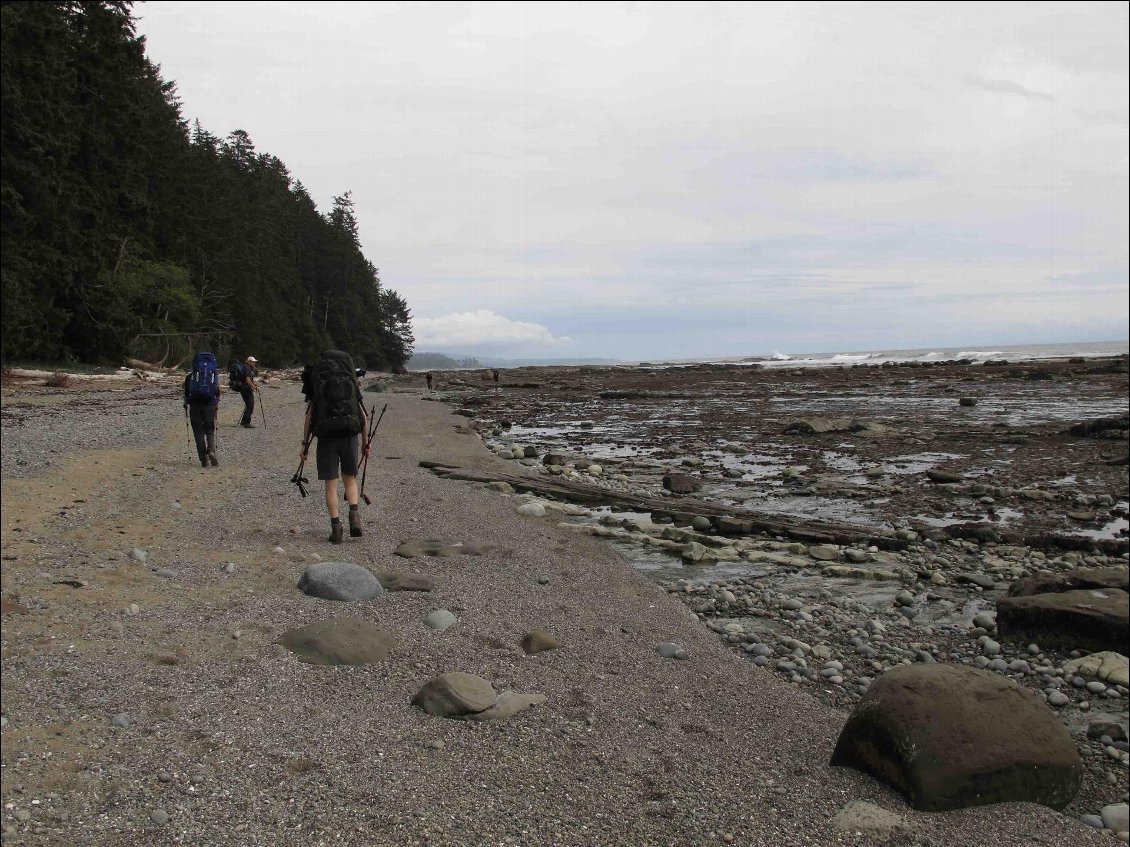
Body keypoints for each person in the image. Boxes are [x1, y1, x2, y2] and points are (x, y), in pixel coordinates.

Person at [300, 350, 371, 543]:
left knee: (331, 484)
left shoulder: (319, 383)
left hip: (326, 438)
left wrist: (305, 445)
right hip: (349, 434)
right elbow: (363, 417)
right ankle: (354, 517)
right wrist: (365, 443)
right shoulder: (350, 383)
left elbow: (309, 418)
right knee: (350, 480)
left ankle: (336, 529)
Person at [183, 351, 221, 467]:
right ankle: (211, 450)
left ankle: (203, 459)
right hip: (209, 404)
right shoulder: (213, 376)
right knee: (209, 430)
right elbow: (217, 392)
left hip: (194, 406)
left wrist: (185, 404)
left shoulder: (190, 377)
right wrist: (216, 405)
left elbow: (186, 394)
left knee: (198, 432)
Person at [230, 355, 259, 427]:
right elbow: (247, 380)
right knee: (250, 405)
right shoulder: (247, 369)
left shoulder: (247, 368)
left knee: (249, 404)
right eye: (253, 362)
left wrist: (254, 385)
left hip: (245, 388)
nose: (254, 363)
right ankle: (246, 422)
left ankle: (245, 421)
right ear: (249, 362)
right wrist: (254, 387)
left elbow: (248, 380)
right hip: (245, 389)